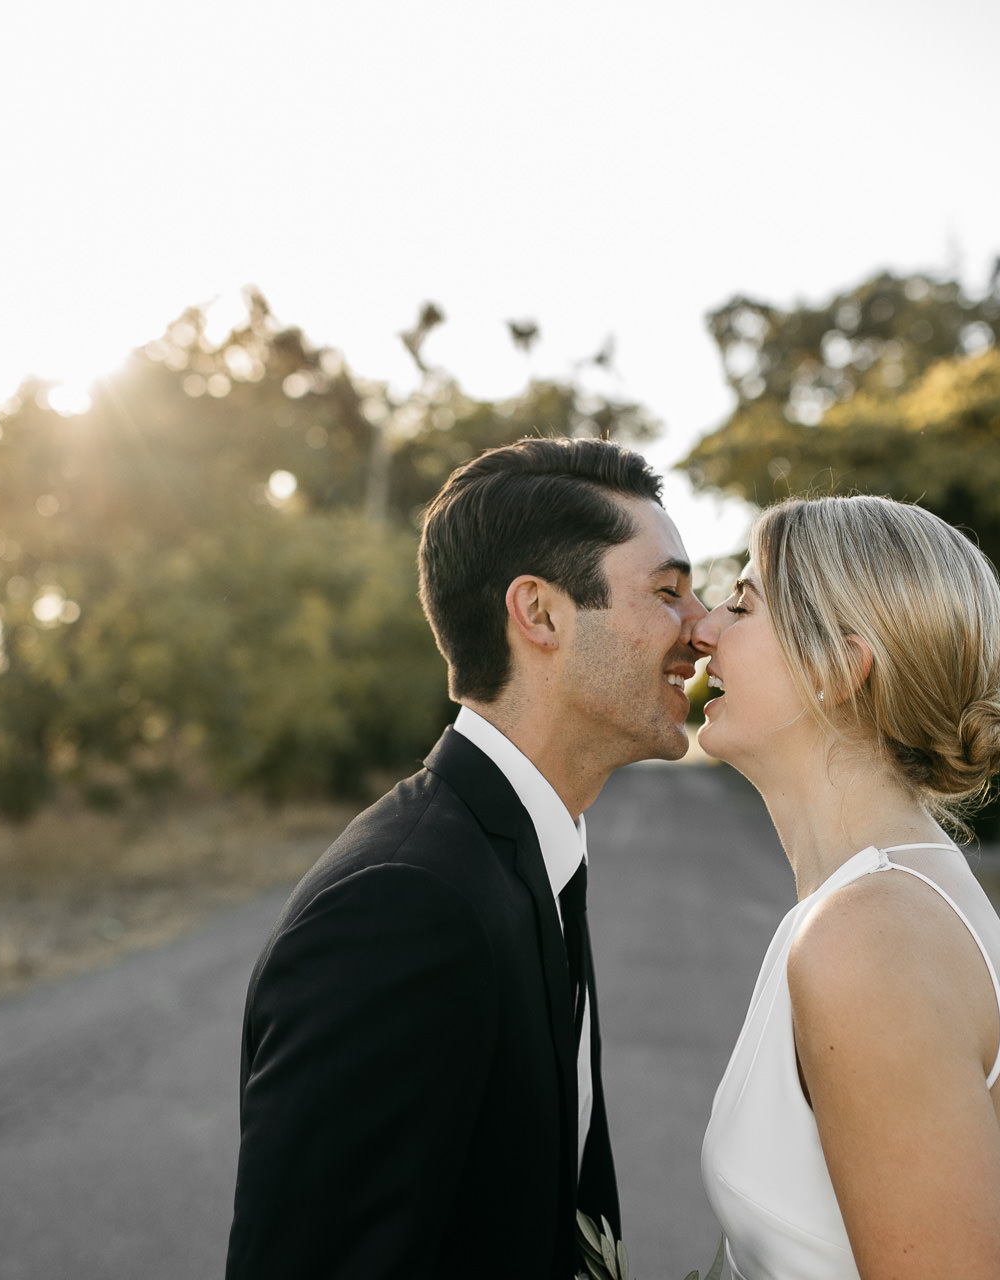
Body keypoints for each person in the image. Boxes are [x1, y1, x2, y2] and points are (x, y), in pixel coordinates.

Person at [225, 437, 707, 1277]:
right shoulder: (403, 908)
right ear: (541, 614)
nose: (700, 631)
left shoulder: (531, 856)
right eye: (668, 592)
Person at [695, 494, 1000, 1280]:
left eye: (743, 604)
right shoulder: (868, 908)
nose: (704, 629)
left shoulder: (871, 939)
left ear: (837, 669)